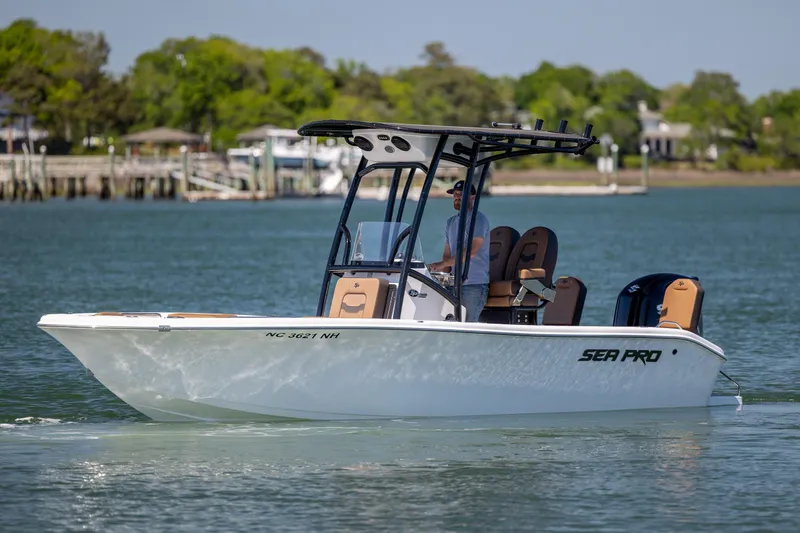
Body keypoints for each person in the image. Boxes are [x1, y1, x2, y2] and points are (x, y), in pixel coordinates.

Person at [428, 180, 490, 322]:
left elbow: (471, 252)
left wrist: (440, 263)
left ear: (472, 197)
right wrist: (440, 278)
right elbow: (447, 255)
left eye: (461, 194)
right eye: (455, 194)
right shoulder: (450, 222)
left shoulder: (479, 219)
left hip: (474, 285)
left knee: (468, 326)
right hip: (453, 284)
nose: (457, 197)